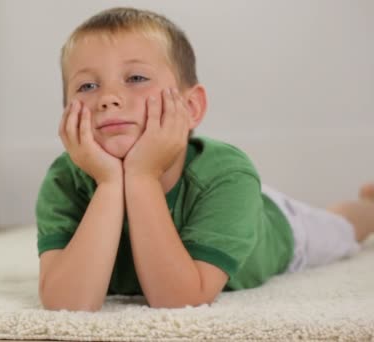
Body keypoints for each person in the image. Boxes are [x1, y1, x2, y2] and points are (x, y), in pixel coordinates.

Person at [35, 7, 374, 312]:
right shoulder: (64, 180)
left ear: (191, 107)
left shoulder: (228, 175)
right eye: (87, 86)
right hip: (211, 199)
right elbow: (68, 304)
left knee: (340, 229)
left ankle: (368, 206)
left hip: (271, 223)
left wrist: (140, 177)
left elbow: (180, 299)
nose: (108, 98)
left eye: (136, 78)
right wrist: (110, 183)